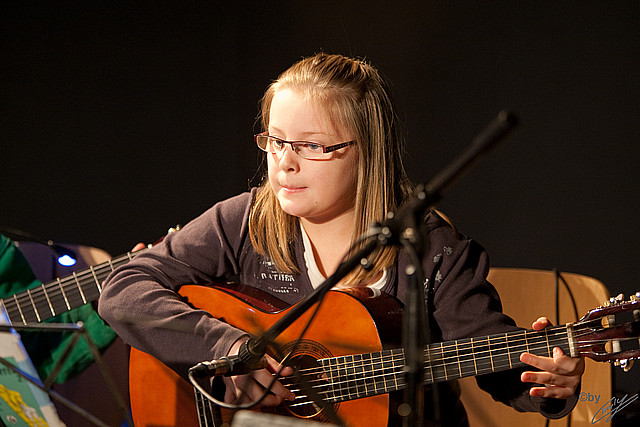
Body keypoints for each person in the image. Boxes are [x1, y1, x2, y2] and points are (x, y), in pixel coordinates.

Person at [98, 53, 583, 425]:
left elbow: (497, 360)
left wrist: (550, 382)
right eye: (275, 140)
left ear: (367, 151)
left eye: (312, 146)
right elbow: (124, 290)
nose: (285, 162)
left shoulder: (436, 251)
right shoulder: (244, 221)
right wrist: (235, 350)